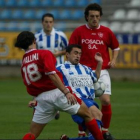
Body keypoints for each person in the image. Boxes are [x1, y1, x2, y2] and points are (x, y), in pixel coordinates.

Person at [15, 31, 103, 140]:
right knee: (88, 114)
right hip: (56, 93)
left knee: (32, 134)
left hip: (41, 99)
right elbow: (52, 75)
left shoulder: (24, 61)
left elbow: (28, 83)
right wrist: (66, 92)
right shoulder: (44, 53)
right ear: (34, 41)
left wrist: (36, 99)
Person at [69, 3, 120, 140]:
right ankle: (81, 132)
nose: (94, 19)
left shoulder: (106, 31)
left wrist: (113, 59)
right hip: (83, 72)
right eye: (92, 16)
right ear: (87, 17)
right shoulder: (79, 31)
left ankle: (105, 131)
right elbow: (71, 49)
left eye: (97, 16)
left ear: (100, 17)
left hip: (101, 70)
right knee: (83, 103)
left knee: (106, 100)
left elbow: (115, 47)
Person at [57, 44, 103, 140]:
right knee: (98, 114)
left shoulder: (86, 68)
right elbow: (49, 82)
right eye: (75, 53)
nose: (78, 56)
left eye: (80, 54)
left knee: (93, 136)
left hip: (90, 100)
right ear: (67, 54)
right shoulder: (60, 68)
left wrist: (100, 63)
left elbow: (96, 77)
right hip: (77, 101)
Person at [35, 13, 68, 119]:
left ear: (53, 23)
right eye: (46, 22)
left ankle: (55, 109)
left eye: (50, 22)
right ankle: (38, 111)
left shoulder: (60, 35)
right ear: (42, 23)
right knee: (40, 89)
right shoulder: (36, 37)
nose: (48, 24)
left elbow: (68, 50)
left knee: (56, 89)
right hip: (42, 69)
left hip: (57, 68)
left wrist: (58, 53)